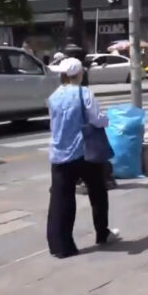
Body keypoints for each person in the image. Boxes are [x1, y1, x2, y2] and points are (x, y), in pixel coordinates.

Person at [45, 58, 120, 258]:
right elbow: (96, 119)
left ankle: (60, 246)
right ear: (79, 74)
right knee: (98, 192)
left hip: (59, 154)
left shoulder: (54, 96)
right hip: (83, 152)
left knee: (61, 199)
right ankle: (102, 233)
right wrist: (106, 120)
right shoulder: (84, 93)